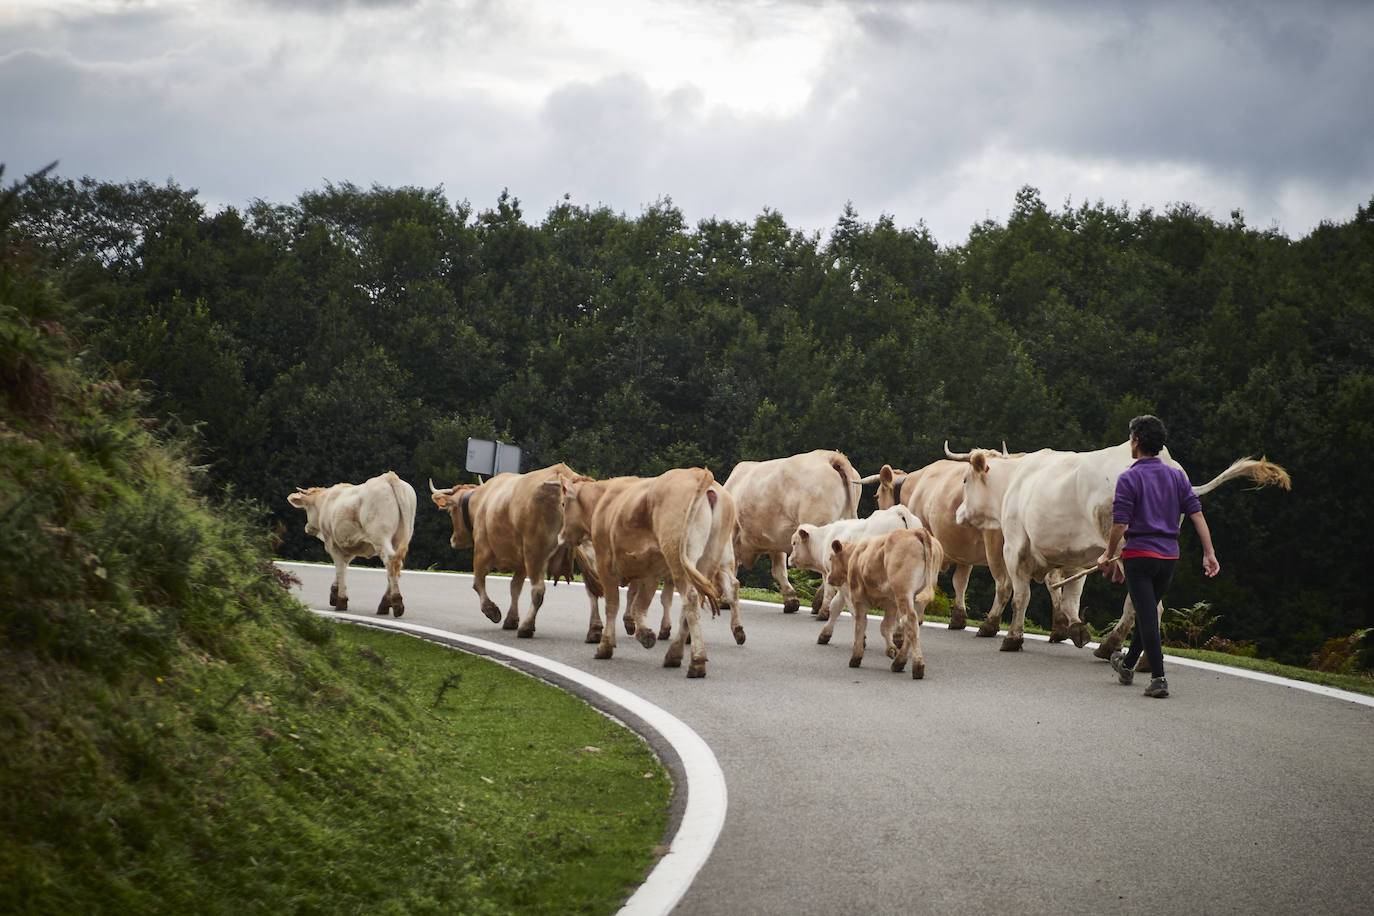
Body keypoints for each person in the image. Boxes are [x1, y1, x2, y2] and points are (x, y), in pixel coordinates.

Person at [1096, 415, 1220, 698]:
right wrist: (1209, 553)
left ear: (1136, 441)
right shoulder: (1176, 476)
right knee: (1147, 614)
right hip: (1168, 558)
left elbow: (1119, 524)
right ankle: (1126, 665)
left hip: (1139, 557)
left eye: (1131, 439)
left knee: (1147, 614)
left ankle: (1159, 677)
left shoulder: (1129, 477)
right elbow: (1196, 514)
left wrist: (1108, 554)